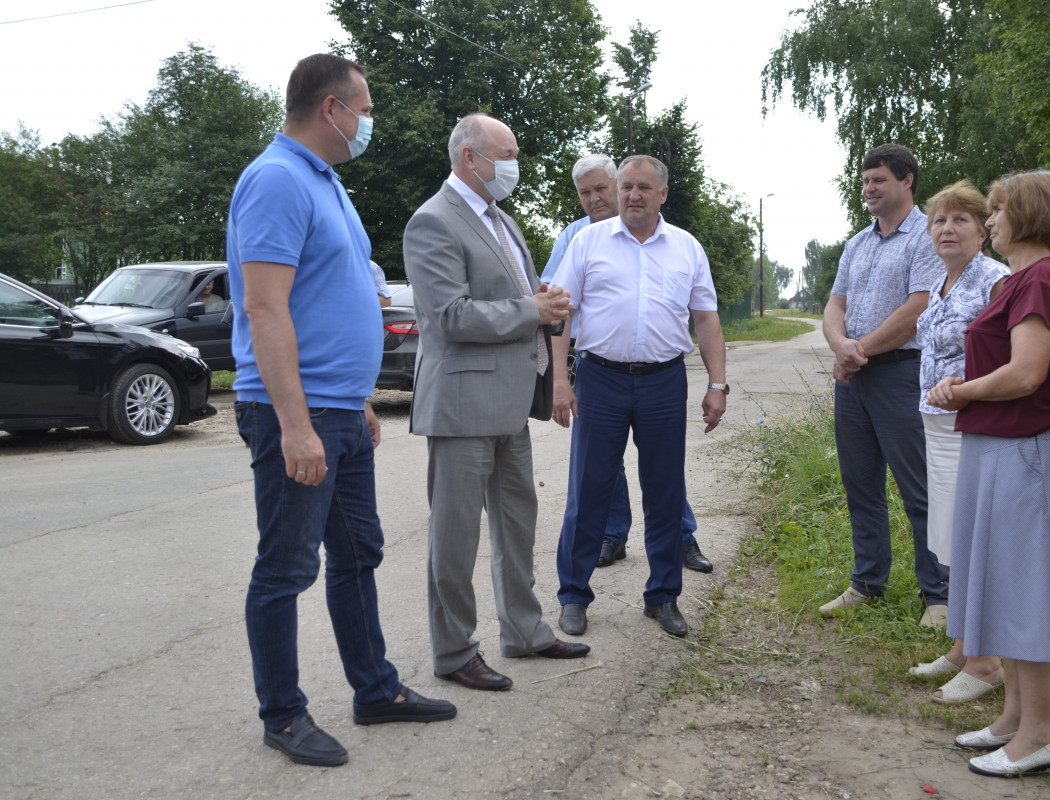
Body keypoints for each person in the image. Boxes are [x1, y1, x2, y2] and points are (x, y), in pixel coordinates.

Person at [227, 53, 455, 769]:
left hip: (339, 411)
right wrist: (296, 424)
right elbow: (264, 306)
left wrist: (356, 399)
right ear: (332, 109)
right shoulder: (275, 180)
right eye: (365, 106)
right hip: (295, 414)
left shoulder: (327, 183)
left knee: (357, 553)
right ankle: (284, 715)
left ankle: (375, 691)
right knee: (286, 565)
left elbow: (332, 296)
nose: (369, 121)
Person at [403, 113, 589, 693]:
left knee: (517, 523)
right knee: (455, 536)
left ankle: (524, 630)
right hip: (461, 403)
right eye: (504, 154)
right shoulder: (433, 221)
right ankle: (454, 650)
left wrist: (544, 300)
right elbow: (451, 316)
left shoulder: (500, 218)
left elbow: (514, 298)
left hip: (508, 402)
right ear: (468, 158)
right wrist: (533, 309)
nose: (513, 164)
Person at [930, 170, 1050, 778]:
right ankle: (1015, 718)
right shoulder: (1020, 281)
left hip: (1024, 449)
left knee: (1027, 589)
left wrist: (962, 390)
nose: (990, 220)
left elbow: (1026, 373)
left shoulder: (1043, 277)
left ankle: (1041, 732)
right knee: (1003, 581)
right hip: (999, 447)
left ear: (1027, 213)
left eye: (997, 211)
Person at [550, 154, 728, 639]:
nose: (632, 195)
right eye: (626, 186)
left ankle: (663, 596)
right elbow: (560, 312)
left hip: (664, 382)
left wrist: (717, 384)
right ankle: (573, 595)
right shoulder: (588, 242)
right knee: (589, 490)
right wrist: (560, 382)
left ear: (662, 194)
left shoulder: (686, 248)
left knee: (665, 490)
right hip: (600, 380)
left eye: (643, 187)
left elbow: (707, 319)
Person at [819, 143, 948, 625]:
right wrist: (841, 346)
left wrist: (861, 348)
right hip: (853, 378)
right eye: (865, 180)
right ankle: (867, 582)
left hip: (900, 374)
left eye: (879, 180)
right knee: (860, 485)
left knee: (918, 487)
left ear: (907, 180)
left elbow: (919, 308)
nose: (869, 188)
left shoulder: (926, 237)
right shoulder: (858, 242)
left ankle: (938, 594)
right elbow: (836, 304)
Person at [907, 180, 1008, 703]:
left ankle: (987, 662)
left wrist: (969, 393)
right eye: (939, 220)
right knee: (950, 532)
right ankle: (962, 646)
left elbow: (1014, 355)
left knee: (972, 534)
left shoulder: (995, 280)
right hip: (937, 424)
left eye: (960, 220)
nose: (947, 228)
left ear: (982, 231)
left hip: (976, 423)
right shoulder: (942, 280)